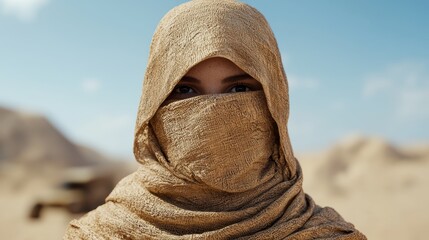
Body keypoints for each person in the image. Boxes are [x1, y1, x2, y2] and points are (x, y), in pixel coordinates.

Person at [64, 0, 366, 239]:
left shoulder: (324, 234)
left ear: (275, 100)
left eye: (238, 89)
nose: (211, 112)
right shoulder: (101, 234)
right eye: (184, 90)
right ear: (153, 105)